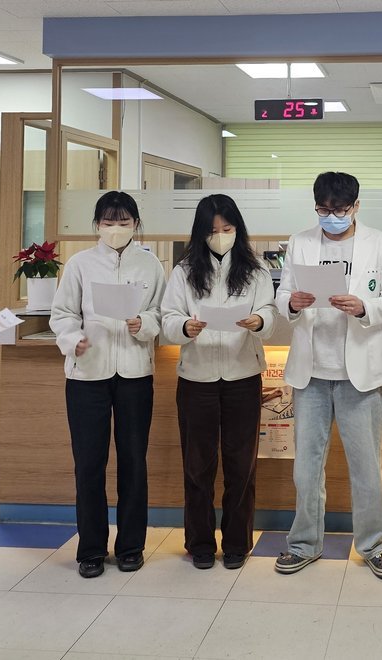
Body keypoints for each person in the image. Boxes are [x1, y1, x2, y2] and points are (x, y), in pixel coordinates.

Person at [274, 171, 382, 580]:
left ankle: (376, 545)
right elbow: (282, 296)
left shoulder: (379, 243)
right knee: (306, 468)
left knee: (366, 467)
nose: (331, 217)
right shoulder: (300, 241)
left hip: (359, 373)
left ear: (356, 206)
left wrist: (364, 307)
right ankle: (304, 544)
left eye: (340, 210)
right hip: (311, 372)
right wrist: (292, 303)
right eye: (323, 210)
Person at [50, 191, 165, 579]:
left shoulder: (150, 265)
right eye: (108, 222)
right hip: (87, 374)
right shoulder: (80, 264)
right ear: (97, 225)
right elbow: (62, 314)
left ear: (136, 225)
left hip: (135, 373)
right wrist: (73, 339)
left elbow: (160, 313)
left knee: (133, 462)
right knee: (89, 464)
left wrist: (143, 324)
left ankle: (131, 546)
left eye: (124, 222)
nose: (116, 229)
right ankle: (91, 549)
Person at [161, 194, 277, 570]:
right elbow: (168, 318)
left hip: (243, 376)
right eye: (213, 231)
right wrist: (184, 327)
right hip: (197, 378)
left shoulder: (255, 270)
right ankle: (199, 543)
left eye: (228, 229)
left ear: (237, 229)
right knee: (198, 466)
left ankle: (237, 543)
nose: (222, 236)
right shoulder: (184, 271)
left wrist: (259, 321)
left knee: (241, 465)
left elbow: (269, 310)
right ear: (201, 233)